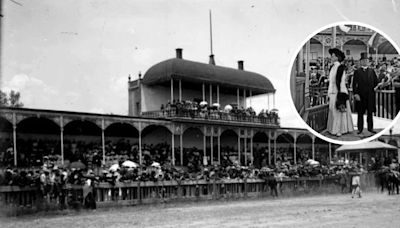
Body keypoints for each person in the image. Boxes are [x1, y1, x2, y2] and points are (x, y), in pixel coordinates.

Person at [326, 48, 354, 137]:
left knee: (339, 111)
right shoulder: (332, 67)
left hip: (339, 91)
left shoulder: (341, 68)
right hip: (332, 91)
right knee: (332, 110)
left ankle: (340, 130)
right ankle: (332, 128)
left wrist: (342, 95)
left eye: (333, 56)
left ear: (337, 57)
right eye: (331, 55)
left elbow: (341, 82)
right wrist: (329, 93)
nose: (331, 57)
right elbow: (331, 81)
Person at [352, 53, 379, 134]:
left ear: (369, 62)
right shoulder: (357, 72)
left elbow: (376, 82)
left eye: (367, 60)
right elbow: (354, 84)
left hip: (370, 95)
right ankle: (360, 129)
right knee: (360, 113)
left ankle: (370, 128)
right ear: (360, 61)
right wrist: (355, 94)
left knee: (370, 113)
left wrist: (376, 87)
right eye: (363, 60)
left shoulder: (372, 71)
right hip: (360, 95)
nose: (365, 62)